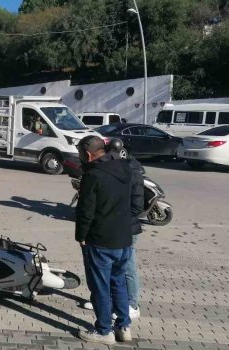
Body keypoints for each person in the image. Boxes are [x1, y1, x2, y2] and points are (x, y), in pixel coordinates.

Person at [75, 136, 133, 345]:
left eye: (81, 154)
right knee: (119, 284)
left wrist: (81, 236)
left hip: (100, 240)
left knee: (100, 287)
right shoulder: (126, 168)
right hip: (124, 238)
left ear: (88, 154)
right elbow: (135, 200)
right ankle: (124, 327)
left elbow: (86, 211)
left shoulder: (93, 176)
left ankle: (103, 330)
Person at [83, 139, 144, 320]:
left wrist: (117, 219)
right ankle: (120, 318)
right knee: (116, 278)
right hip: (120, 229)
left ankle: (130, 305)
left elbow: (136, 205)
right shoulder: (118, 169)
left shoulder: (128, 170)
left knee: (125, 272)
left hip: (122, 230)